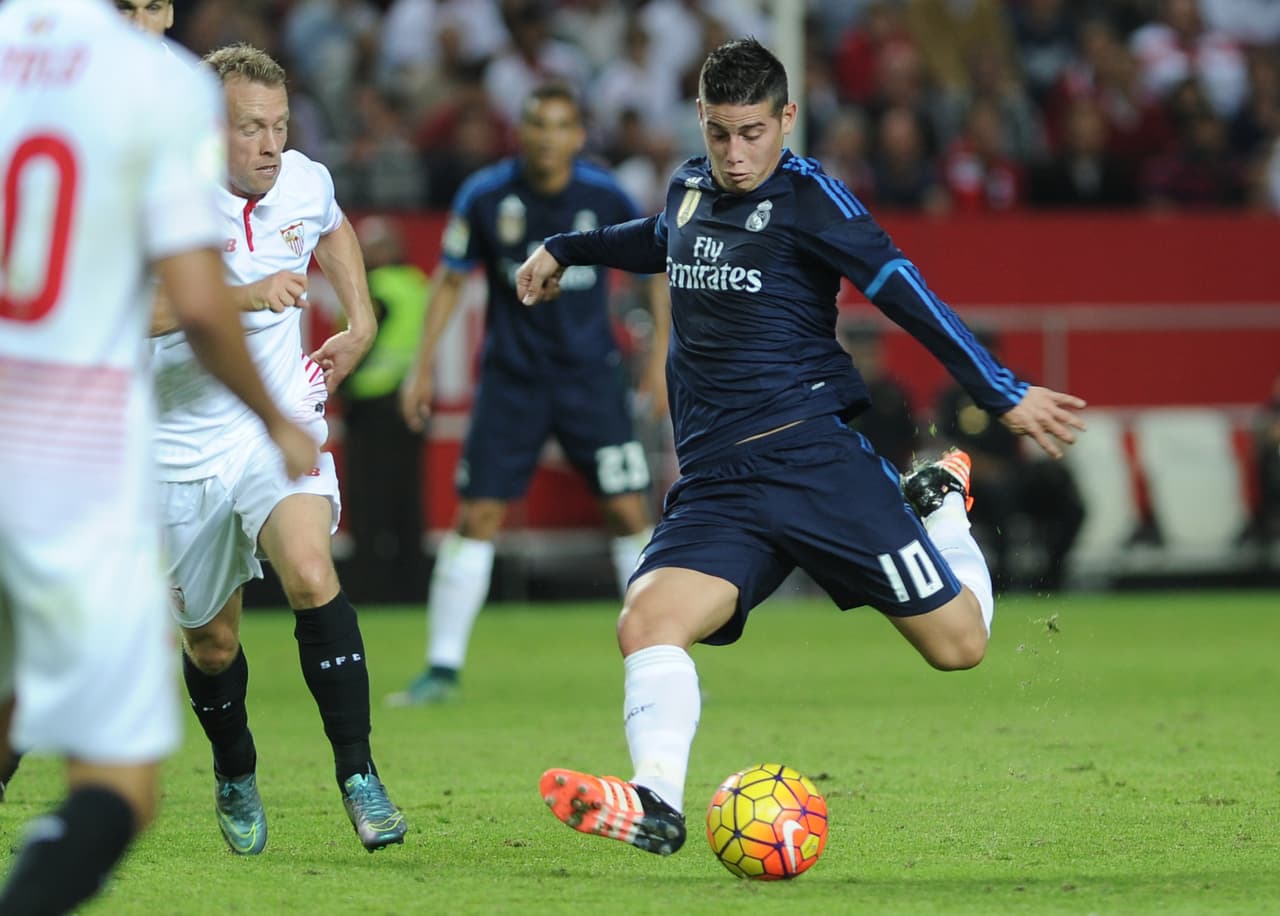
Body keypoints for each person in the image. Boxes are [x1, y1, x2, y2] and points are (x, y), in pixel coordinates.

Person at [517, 38, 1086, 857]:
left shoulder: (812, 199)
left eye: (753, 132)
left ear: (787, 118)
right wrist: (566, 248)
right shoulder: (689, 187)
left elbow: (903, 290)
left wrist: (1000, 390)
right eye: (719, 132)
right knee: (646, 623)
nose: (735, 154)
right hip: (719, 483)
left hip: (814, 463)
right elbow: (661, 238)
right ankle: (655, 800)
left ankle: (942, 512)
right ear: (701, 120)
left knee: (960, 648)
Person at [0, 2, 316, 911]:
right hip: (67, 459)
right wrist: (276, 418)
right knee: (121, 785)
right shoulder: (160, 85)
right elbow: (202, 304)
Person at [148, 42, 407, 855]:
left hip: (273, 423)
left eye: (280, 125)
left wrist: (361, 318)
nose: (270, 145)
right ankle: (235, 767)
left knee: (310, 570)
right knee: (212, 644)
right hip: (175, 447)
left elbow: (331, 227)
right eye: (250, 128)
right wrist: (241, 294)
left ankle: (360, 776)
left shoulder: (303, 179)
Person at [391, 83, 668, 706]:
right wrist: (422, 366)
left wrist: (658, 364)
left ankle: (659, 651)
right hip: (511, 381)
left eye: (561, 125)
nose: (548, 137)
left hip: (590, 379)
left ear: (578, 136)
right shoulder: (486, 195)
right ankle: (441, 668)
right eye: (538, 124)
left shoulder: (606, 196)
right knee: (477, 516)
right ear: (522, 131)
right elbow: (449, 280)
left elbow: (655, 273)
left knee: (628, 511)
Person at [933, 331, 1086, 592]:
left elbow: (1044, 426)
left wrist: (1054, 442)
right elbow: (944, 444)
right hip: (974, 479)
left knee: (1059, 484)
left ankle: (1053, 574)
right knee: (997, 491)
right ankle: (1003, 578)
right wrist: (980, 466)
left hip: (1015, 471)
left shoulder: (1016, 387)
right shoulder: (953, 395)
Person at [340, 216, 430, 602]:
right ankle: (412, 586)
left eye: (368, 246)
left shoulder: (373, 288)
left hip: (371, 405)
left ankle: (369, 587)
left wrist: (341, 382)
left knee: (367, 502)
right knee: (408, 499)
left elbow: (360, 341)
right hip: (412, 402)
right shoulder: (417, 285)